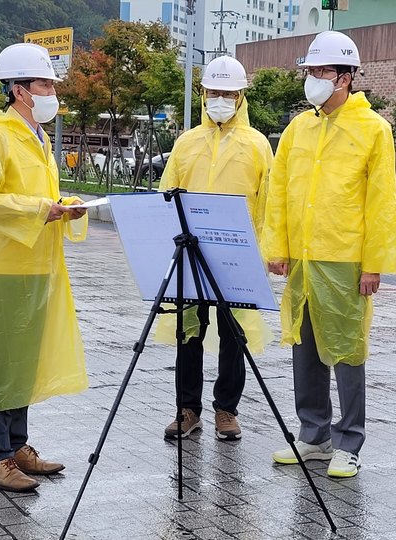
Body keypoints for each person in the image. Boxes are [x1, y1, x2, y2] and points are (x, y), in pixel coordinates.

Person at [263, 31, 396, 478]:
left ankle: (349, 441)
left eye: (319, 71)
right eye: (309, 71)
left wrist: (374, 264)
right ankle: (314, 435)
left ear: (345, 77)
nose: (311, 79)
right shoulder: (298, 128)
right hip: (303, 258)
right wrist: (277, 247)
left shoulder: (373, 129)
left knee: (346, 350)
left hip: (345, 260)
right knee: (305, 349)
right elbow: (279, 193)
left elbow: (382, 203)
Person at [0, 43, 89, 493]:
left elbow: (38, 198)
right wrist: (41, 209)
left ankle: (17, 446)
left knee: (21, 362)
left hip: (37, 263)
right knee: (1, 361)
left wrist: (63, 207)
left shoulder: (36, 136)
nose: (53, 91)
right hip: (5, 266)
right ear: (18, 90)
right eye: (44, 84)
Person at [155, 55, 273, 442]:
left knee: (233, 335)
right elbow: (165, 198)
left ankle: (227, 410)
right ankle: (188, 409)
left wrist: (265, 251)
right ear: (203, 94)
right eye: (213, 92)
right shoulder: (186, 143)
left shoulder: (257, 146)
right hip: (191, 254)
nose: (219, 99)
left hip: (237, 255)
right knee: (188, 332)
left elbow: (269, 202)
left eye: (228, 93)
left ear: (240, 98)